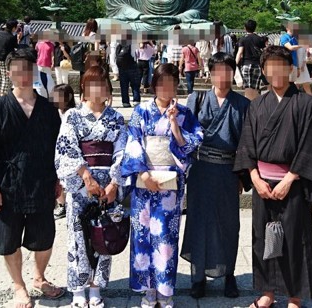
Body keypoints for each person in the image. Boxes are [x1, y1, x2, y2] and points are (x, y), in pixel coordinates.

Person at [0, 48, 65, 308]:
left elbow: (58, 147)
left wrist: (59, 180)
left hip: (41, 181)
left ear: (34, 71)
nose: (23, 74)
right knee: (8, 238)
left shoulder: (47, 109)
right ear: (9, 72)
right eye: (17, 69)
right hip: (7, 184)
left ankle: (40, 278)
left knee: (44, 237)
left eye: (27, 68)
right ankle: (19, 285)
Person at [233, 45, 312, 308]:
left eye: (281, 65)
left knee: (295, 237)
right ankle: (267, 293)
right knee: (263, 238)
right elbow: (247, 144)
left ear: (291, 69)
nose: (275, 71)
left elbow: (310, 145)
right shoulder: (257, 105)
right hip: (262, 182)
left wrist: (290, 178)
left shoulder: (305, 104)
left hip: (293, 182)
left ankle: (295, 296)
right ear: (263, 71)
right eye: (270, 66)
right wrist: (254, 177)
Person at [120, 63, 203, 308]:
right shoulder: (141, 110)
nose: (165, 88)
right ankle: (148, 291)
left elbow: (193, 142)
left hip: (170, 184)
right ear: (154, 85)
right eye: (160, 82)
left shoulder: (184, 113)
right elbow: (133, 141)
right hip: (143, 181)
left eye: (170, 82)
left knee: (165, 236)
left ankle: (165, 291)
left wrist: (175, 125)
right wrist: (144, 175)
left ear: (177, 84)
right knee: (143, 235)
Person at [55, 67, 127, 308]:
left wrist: (115, 183)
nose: (97, 89)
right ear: (84, 89)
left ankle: (96, 286)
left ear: (108, 88)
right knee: (78, 236)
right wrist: (85, 176)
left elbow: (122, 152)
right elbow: (66, 148)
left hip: (108, 184)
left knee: (104, 233)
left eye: (101, 83)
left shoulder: (116, 118)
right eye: (91, 84)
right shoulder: (72, 117)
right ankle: (78, 288)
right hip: (81, 184)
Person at [181, 53, 249, 299]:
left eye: (228, 71)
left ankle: (229, 275)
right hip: (200, 170)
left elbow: (246, 144)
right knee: (198, 222)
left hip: (228, 171)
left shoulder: (242, 105)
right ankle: (198, 277)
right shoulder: (196, 100)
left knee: (228, 224)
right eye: (218, 71)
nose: (223, 76)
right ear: (210, 73)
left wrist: (243, 176)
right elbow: (184, 137)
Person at [53, 84, 77, 220]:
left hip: (70, 151)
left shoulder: (75, 113)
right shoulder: (51, 112)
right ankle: (61, 204)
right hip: (55, 150)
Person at [237, 19, 268, 100]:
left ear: (245, 28)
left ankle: (249, 107)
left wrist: (235, 65)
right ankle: (255, 106)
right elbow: (265, 51)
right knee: (255, 88)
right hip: (257, 65)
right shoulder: (259, 39)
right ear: (255, 28)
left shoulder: (243, 39)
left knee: (247, 88)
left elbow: (240, 52)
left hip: (246, 65)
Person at [0, 20, 18, 98]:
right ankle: (3, 96)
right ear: (13, 28)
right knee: (6, 79)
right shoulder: (11, 37)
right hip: (4, 59)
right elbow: (15, 47)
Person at [116, 40, 141, 108]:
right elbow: (136, 54)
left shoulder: (119, 42)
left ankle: (125, 102)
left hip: (122, 67)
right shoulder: (133, 42)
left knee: (124, 85)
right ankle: (136, 100)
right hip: (132, 65)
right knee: (135, 85)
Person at [35, 31, 57, 97]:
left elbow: (52, 55)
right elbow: (36, 53)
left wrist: (53, 63)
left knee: (48, 79)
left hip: (48, 64)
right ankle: (38, 92)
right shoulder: (38, 44)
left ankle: (48, 93)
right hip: (39, 63)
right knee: (38, 78)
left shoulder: (51, 45)